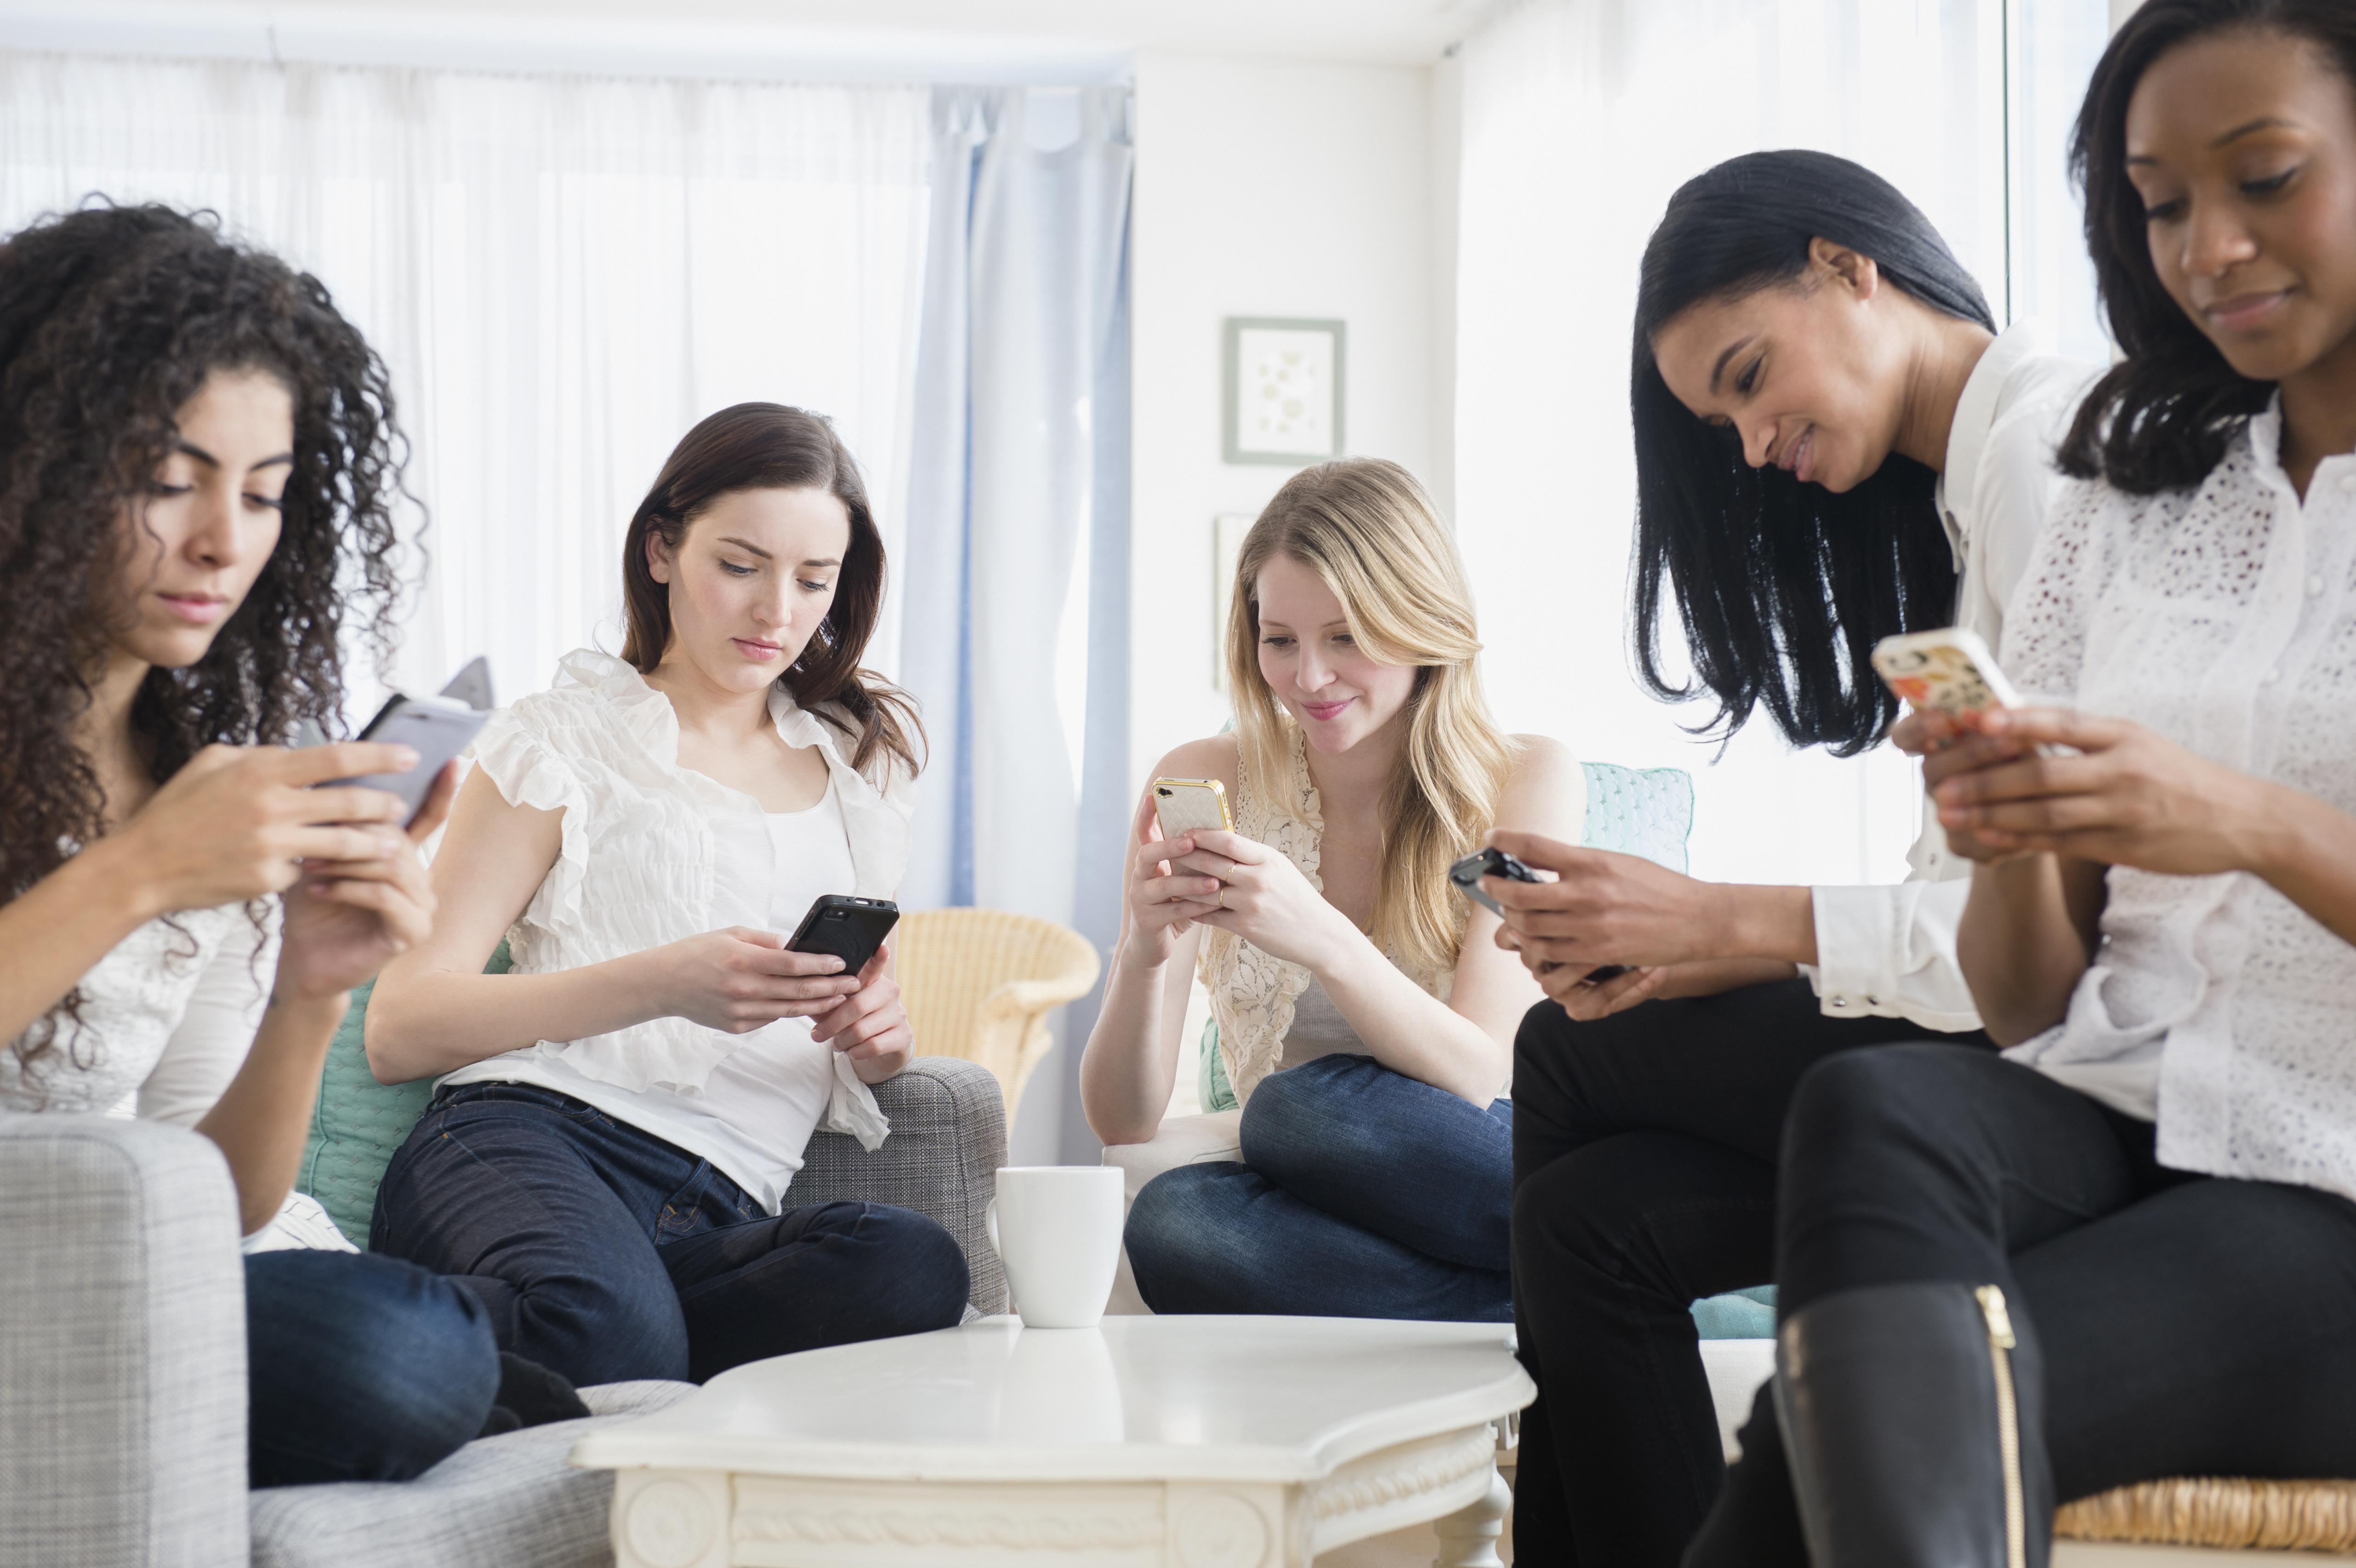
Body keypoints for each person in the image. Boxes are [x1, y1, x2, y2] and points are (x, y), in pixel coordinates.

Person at [1683, 4, 2356, 1562]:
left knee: (1821, 1435)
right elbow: (2021, 1008)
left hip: (2327, 1189)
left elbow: (2231, 825)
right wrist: (2003, 833)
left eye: (2261, 178)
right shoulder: (2135, 491)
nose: (2205, 247)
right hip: (2112, 1115)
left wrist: (2242, 824)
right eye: (2160, 200)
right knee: (1872, 1099)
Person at [1491, 150, 2100, 1564]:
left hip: (2056, 1062)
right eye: (1725, 420)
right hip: (2004, 1036)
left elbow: (2031, 949)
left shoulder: (2035, 454)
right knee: (1590, 1224)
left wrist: (1720, 923)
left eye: (1751, 375)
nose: (1754, 439)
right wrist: (1710, 931)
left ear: (1846, 264)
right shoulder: (1967, 493)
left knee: (1564, 1062)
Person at [0, 203, 518, 1486]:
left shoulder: (204, 782)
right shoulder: (188, 830)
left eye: (264, 494)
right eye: (168, 483)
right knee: (414, 1351)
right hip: (36, 1290)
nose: (223, 542)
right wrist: (136, 871)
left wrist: (308, 989)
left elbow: (213, 1202)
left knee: (467, 1359)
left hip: (120, 1275)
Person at [365, 403, 969, 1388]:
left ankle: (599, 1343)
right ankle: (375, 1320)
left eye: (813, 580)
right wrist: (661, 982)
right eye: (740, 564)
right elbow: (401, 1024)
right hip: (529, 1136)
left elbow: (849, 1023)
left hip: (727, 1197)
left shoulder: (859, 767)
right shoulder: (560, 736)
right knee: (607, 1325)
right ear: (660, 549)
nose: (777, 609)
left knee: (912, 1266)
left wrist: (880, 1037)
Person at [1080, 458, 1583, 1320]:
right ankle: (1526, 1306)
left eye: (1346, 636)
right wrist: (1144, 953)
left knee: (1300, 1108)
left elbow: (1484, 1070)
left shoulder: (1525, 777)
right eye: (1281, 641)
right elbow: (1122, 1123)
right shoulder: (1205, 775)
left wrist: (1319, 935)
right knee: (1172, 1222)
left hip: (1472, 1156)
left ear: (1419, 621)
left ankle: (1574, 1263)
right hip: (1320, 1196)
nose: (1310, 677)